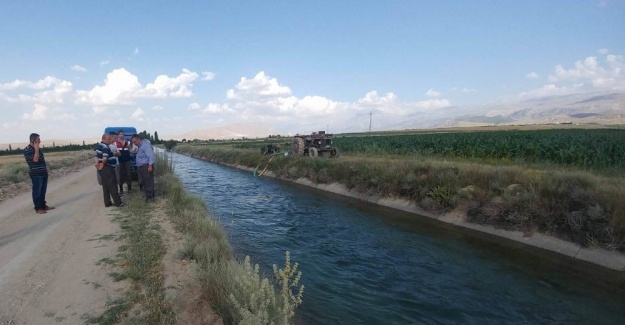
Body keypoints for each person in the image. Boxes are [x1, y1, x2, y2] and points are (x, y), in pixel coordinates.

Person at [23, 133, 54, 214]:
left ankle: (43, 205)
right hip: (36, 174)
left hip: (43, 172)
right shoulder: (27, 149)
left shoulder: (37, 148)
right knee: (37, 191)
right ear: (33, 140)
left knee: (43, 190)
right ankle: (38, 208)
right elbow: (35, 160)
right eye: (38, 139)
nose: (40, 141)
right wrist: (36, 149)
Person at [95, 134, 124, 207]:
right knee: (112, 185)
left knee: (105, 186)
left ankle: (107, 203)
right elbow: (105, 158)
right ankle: (118, 203)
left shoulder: (99, 146)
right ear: (104, 139)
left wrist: (98, 164)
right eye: (109, 139)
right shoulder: (105, 147)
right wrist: (102, 164)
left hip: (102, 169)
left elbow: (96, 156)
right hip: (108, 168)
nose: (110, 140)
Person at [131, 134, 155, 202]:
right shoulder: (139, 146)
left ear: (138, 140)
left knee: (149, 182)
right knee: (144, 182)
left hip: (146, 166)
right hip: (141, 167)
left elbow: (151, 156)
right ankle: (147, 195)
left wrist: (150, 166)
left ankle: (151, 197)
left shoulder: (146, 145)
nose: (134, 144)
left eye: (135, 142)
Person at [115, 129, 133, 194]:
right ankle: (121, 190)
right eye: (120, 134)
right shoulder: (115, 143)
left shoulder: (128, 142)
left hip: (127, 161)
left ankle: (129, 189)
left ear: (124, 135)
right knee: (119, 175)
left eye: (122, 134)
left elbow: (130, 150)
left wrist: (135, 151)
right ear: (117, 135)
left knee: (128, 174)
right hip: (119, 161)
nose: (121, 135)